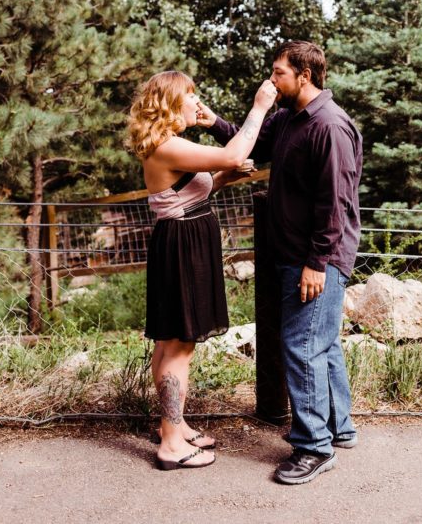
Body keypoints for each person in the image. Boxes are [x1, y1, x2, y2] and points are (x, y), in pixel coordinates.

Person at [197, 41, 362, 485]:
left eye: (278, 73)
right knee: (321, 343)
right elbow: (247, 143)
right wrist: (212, 122)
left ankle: (313, 447)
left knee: (301, 345)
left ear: (304, 75)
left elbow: (336, 202)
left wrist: (317, 263)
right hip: (295, 253)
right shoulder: (289, 119)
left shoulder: (329, 126)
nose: (271, 81)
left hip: (317, 257)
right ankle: (338, 427)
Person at [126, 70, 277, 470]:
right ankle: (172, 445)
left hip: (181, 241)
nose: (197, 102)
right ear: (171, 104)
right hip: (183, 247)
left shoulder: (170, 146)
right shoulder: (168, 145)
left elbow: (191, 188)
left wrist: (226, 176)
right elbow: (230, 152)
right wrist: (259, 108)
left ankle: (172, 425)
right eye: (190, 96)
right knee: (179, 345)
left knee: (169, 342)